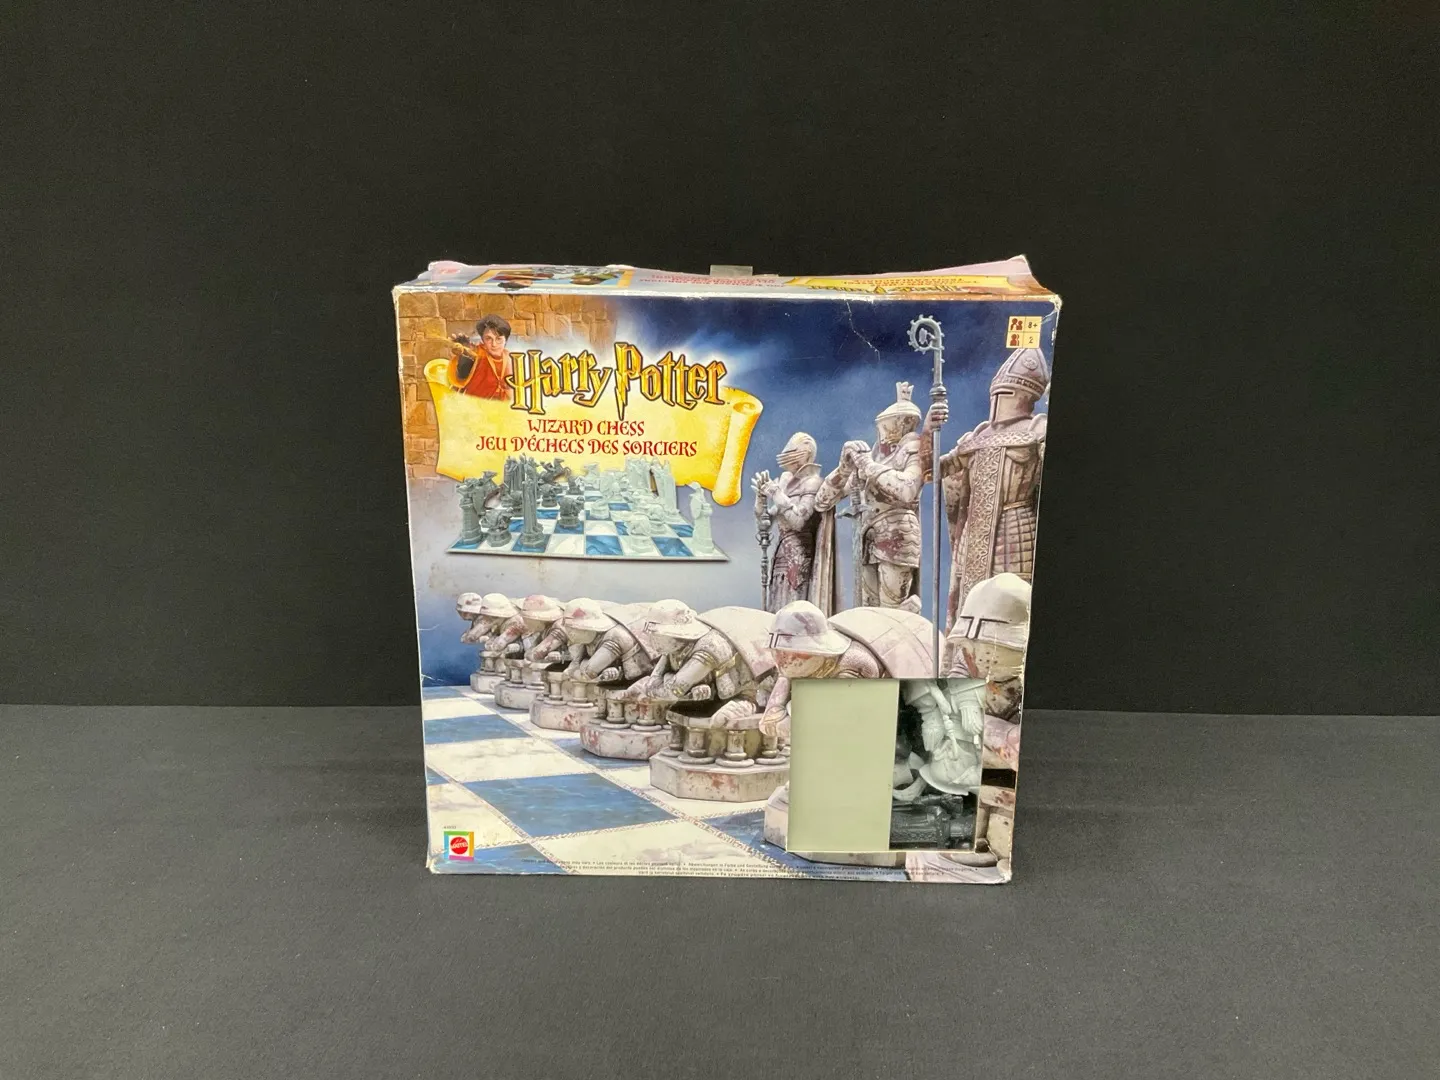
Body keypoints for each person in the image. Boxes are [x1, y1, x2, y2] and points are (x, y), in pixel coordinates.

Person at [447, 314, 514, 400]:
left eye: (499, 339)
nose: (494, 344)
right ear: (483, 339)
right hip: (476, 405)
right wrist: (463, 353)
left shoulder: (511, 359)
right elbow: (461, 374)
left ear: (506, 340)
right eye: (488, 338)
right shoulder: (477, 353)